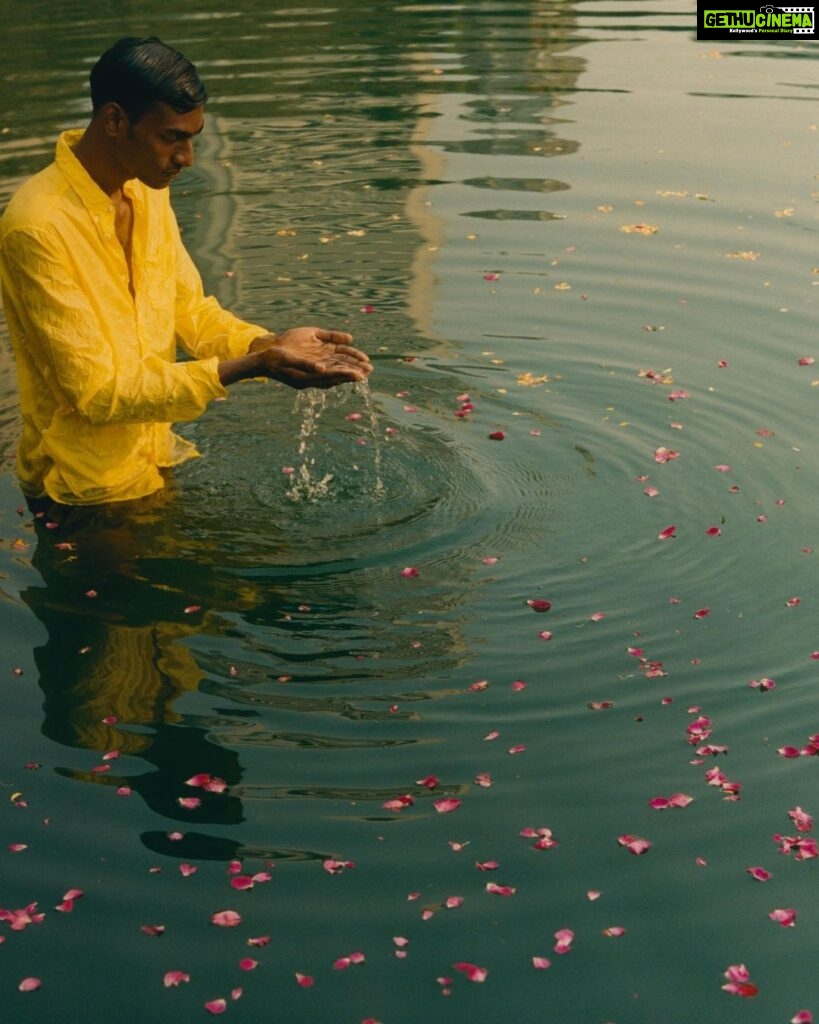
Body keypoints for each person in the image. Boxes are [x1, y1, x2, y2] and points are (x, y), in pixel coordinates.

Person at [0, 36, 373, 509]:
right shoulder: (37, 225)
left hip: (155, 454)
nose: (187, 158)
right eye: (172, 137)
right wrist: (251, 368)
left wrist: (266, 345)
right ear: (115, 120)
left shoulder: (147, 189)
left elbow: (188, 309)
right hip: (80, 488)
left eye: (192, 138)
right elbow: (96, 394)